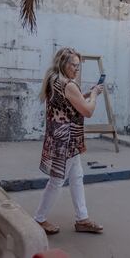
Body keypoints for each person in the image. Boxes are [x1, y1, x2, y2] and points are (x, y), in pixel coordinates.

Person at [34, 47, 104, 234]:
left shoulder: (53, 79)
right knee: (57, 180)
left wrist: (87, 94)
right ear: (63, 64)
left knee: (76, 177)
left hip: (59, 135)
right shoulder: (69, 85)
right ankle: (39, 219)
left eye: (78, 66)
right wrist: (95, 95)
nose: (76, 69)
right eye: (74, 65)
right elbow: (87, 111)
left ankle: (82, 218)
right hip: (67, 138)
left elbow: (71, 101)